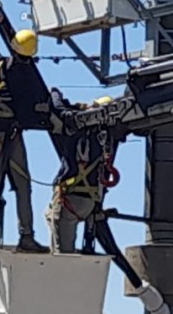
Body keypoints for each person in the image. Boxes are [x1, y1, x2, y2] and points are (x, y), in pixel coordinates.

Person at [0, 24, 56, 253]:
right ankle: (26, 236)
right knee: (22, 186)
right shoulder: (28, 77)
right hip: (9, 135)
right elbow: (37, 109)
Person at [46, 91, 117, 254]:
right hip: (89, 202)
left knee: (63, 255)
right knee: (49, 214)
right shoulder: (106, 136)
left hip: (70, 198)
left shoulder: (77, 127)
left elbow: (59, 110)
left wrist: (55, 94)